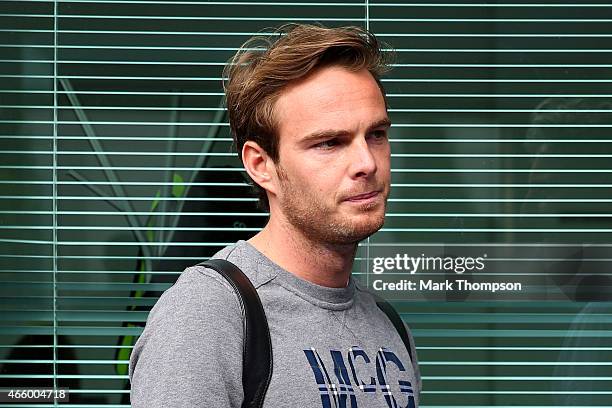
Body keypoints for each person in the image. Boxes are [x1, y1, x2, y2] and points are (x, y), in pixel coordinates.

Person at [129, 23, 421, 408]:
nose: (366, 163)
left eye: (376, 135)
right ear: (261, 164)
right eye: (329, 143)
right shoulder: (209, 312)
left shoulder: (387, 323)